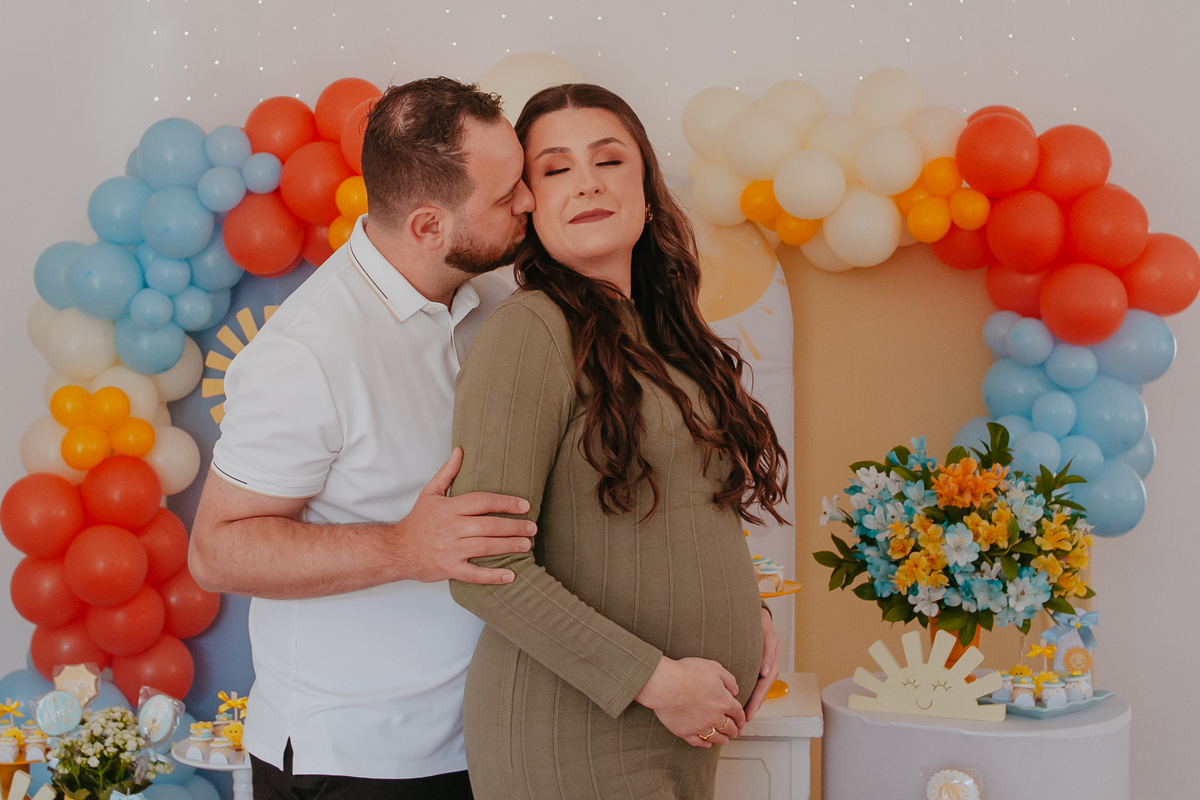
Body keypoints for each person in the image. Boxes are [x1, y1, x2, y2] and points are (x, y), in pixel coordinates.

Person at [188, 77, 538, 800]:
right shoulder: (307, 352)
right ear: (427, 227)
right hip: (350, 764)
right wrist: (404, 548)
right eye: (507, 197)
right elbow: (216, 551)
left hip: (482, 742)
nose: (529, 202)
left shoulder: (492, 298)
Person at [448, 83, 789, 800]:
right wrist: (658, 681)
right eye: (556, 168)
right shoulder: (531, 332)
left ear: (645, 185)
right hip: (574, 733)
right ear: (528, 202)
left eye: (608, 159)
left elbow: (679, 517)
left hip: (677, 724)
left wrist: (746, 616)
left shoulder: (669, 338)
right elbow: (483, 561)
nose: (588, 183)